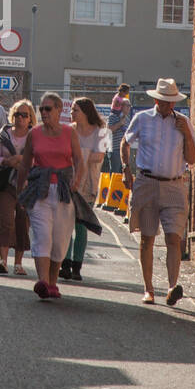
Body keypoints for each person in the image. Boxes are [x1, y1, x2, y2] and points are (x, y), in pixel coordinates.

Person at [121, 77, 195, 306]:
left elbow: (192, 158)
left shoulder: (183, 122)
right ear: (156, 100)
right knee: (147, 238)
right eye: (164, 101)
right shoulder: (142, 119)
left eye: (172, 101)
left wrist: (185, 133)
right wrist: (126, 169)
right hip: (147, 182)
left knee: (174, 237)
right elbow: (125, 142)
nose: (168, 105)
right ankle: (148, 289)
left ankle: (172, 287)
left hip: (174, 184)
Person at [15, 92, 84, 300]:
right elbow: (25, 164)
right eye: (41, 109)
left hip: (63, 190)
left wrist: (77, 181)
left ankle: (53, 283)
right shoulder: (34, 134)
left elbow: (79, 161)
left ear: (58, 110)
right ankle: (43, 282)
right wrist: (20, 192)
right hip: (40, 190)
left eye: (47, 109)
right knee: (43, 236)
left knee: (60, 241)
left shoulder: (69, 133)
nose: (43, 113)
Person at [61, 97, 108, 282]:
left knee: (81, 226)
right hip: (69, 181)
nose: (72, 113)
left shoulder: (101, 132)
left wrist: (77, 153)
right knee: (65, 225)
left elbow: (98, 157)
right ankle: (65, 263)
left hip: (87, 184)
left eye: (75, 110)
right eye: (72, 110)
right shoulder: (68, 130)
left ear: (86, 112)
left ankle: (77, 266)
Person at [0, 99, 34, 275]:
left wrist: (22, 162)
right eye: (17, 114)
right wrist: (8, 161)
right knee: (6, 221)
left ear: (30, 118)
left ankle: (18, 264)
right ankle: (3, 261)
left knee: (23, 222)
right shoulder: (4, 134)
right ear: (12, 115)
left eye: (24, 115)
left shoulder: (35, 136)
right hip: (6, 184)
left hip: (27, 185)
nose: (20, 118)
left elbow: (40, 160)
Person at [105, 83, 131, 178]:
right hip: (115, 149)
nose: (129, 108)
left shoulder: (127, 118)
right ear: (122, 106)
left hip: (124, 150)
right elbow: (108, 130)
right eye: (127, 105)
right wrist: (120, 123)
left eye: (129, 106)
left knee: (123, 175)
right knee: (115, 174)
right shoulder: (113, 116)